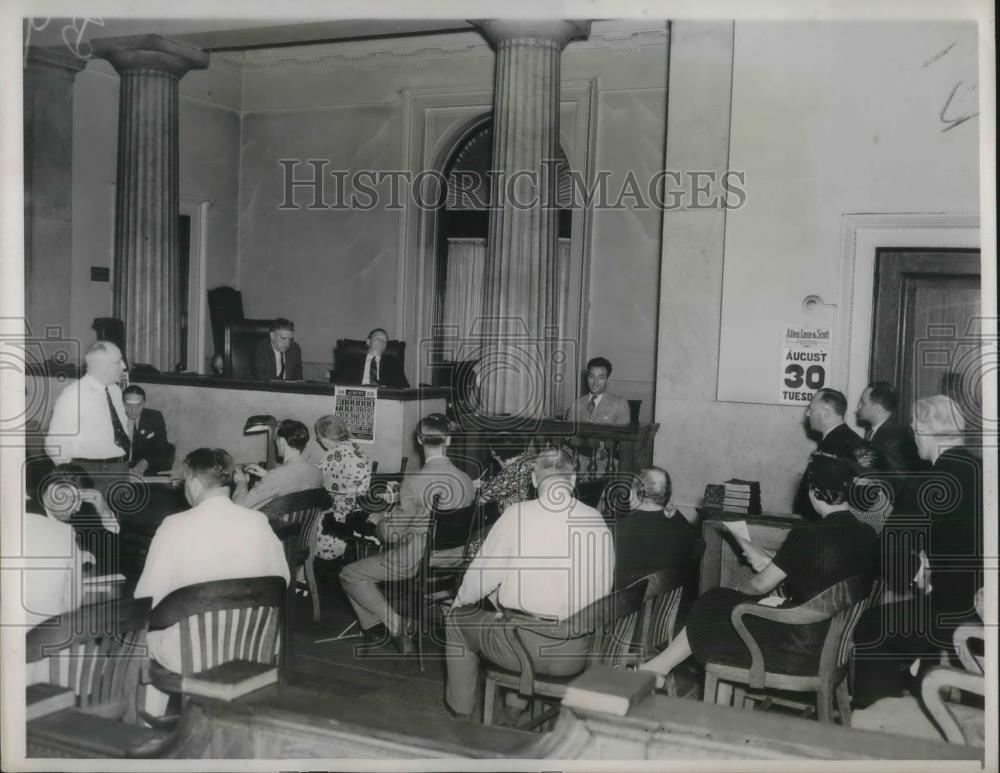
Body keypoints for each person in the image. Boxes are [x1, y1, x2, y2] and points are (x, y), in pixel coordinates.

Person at [640, 455, 878, 686]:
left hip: (797, 646)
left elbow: (759, 585)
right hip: (833, 644)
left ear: (814, 491)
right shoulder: (868, 532)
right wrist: (773, 563)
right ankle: (661, 666)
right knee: (719, 602)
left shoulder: (808, 533)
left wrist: (740, 589)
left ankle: (661, 666)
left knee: (714, 600)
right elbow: (828, 574)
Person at [443, 447, 615, 719]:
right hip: (574, 652)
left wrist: (459, 602)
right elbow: (603, 589)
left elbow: (480, 578)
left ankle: (461, 717)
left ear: (534, 481)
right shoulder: (597, 519)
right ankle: (514, 706)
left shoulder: (516, 515)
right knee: (514, 607)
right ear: (572, 481)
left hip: (521, 648)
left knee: (456, 620)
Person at [133, 448, 289, 713]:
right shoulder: (258, 521)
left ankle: (150, 726)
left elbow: (146, 599)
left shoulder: (174, 524)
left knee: (137, 639)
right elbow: (281, 581)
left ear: (192, 483)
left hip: (191, 651)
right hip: (254, 646)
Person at [852, 395, 983, 707]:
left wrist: (917, 573)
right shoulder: (987, 474)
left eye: (913, 432)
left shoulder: (927, 484)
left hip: (950, 613)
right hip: (987, 614)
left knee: (872, 625)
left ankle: (879, 727)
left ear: (923, 433)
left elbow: (890, 555)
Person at [339, 413, 473, 651]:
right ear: (449, 441)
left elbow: (392, 535)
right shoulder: (465, 480)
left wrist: (379, 520)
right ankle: (383, 626)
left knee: (350, 573)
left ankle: (395, 625)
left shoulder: (415, 482)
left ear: (420, 440)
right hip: (455, 557)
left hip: (417, 560)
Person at [45, 340, 131, 490]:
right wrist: (72, 476)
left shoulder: (115, 391)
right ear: (104, 366)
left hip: (119, 470)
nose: (124, 366)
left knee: (114, 514)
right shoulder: (73, 394)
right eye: (119, 361)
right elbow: (55, 442)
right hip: (88, 472)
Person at [793, 387, 881, 517]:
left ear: (826, 413)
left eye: (811, 409)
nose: (807, 414)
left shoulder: (845, 445)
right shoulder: (839, 440)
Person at [613, 467, 698, 591]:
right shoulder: (683, 529)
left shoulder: (619, 530)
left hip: (626, 606)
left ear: (632, 494)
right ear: (667, 496)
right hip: (667, 606)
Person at [312, 414, 372, 561]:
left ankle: (314, 566)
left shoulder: (334, 454)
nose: (318, 440)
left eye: (318, 436)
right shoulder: (354, 447)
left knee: (306, 517)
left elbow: (313, 477)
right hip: (360, 509)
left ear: (323, 436)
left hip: (342, 514)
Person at [232, 419, 323, 510]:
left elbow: (240, 507)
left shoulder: (277, 476)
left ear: (282, 441)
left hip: (278, 523)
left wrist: (241, 482)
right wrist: (266, 474)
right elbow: (292, 483)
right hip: (302, 524)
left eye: (276, 440)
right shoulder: (317, 473)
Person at [334, 327, 410, 388]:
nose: (382, 342)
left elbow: (405, 387)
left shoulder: (393, 364)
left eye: (385, 340)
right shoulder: (350, 361)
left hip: (383, 399)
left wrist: (386, 388)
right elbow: (337, 384)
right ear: (368, 342)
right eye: (378, 338)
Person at [121, 385, 172, 475]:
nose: (133, 410)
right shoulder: (114, 418)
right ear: (122, 403)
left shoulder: (155, 418)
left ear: (144, 403)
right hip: (119, 470)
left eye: (138, 405)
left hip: (146, 472)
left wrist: (146, 462)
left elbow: (162, 449)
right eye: (128, 405)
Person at [564, 356, 630, 424]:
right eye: (591, 376)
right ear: (587, 377)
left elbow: (623, 434)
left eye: (600, 377)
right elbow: (570, 433)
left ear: (607, 379)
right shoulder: (576, 405)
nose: (595, 382)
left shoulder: (620, 404)